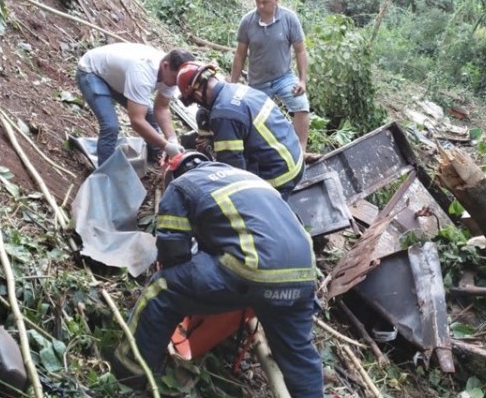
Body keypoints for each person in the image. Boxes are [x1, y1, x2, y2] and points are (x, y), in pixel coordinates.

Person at [127, 152, 323, 397]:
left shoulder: (182, 186)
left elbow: (173, 252)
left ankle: (132, 374)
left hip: (252, 268)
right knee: (298, 354)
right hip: (303, 275)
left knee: (162, 290)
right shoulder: (248, 180)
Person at [175, 60, 303, 200]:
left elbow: (233, 172)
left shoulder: (223, 114)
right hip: (295, 160)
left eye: (194, 101)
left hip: (280, 178)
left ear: (198, 94)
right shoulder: (238, 89)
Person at [75, 43, 190, 166]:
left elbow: (161, 108)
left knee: (149, 115)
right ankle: (105, 174)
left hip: (116, 77)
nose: (177, 84)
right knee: (110, 126)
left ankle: (157, 159)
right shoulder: (143, 72)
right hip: (92, 72)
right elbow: (136, 121)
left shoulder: (172, 73)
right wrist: (166, 145)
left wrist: (172, 139)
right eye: (175, 79)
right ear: (165, 66)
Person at [230, 0, 311, 152]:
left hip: (284, 77)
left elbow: (300, 51)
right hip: (258, 82)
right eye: (257, 2)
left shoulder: (289, 19)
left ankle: (301, 152)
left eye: (265, 2)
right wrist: (233, 83)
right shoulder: (247, 22)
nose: (260, 6)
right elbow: (240, 54)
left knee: (301, 104)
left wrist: (302, 81)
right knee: (254, 120)